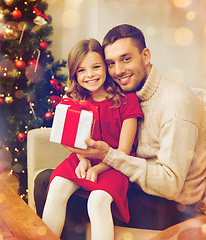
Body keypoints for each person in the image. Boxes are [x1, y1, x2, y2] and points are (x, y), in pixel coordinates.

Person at [34, 24, 206, 239]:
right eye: (111, 63)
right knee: (52, 181)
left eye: (126, 59)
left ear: (145, 55)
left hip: (170, 205)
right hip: (134, 180)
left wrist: (107, 158)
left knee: (50, 183)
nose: (118, 71)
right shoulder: (129, 93)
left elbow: (170, 186)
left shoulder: (176, 104)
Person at [42, 38, 143, 240]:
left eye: (96, 67)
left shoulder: (126, 99)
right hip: (84, 158)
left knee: (97, 201)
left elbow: (124, 151)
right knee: (57, 186)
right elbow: (71, 140)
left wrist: (97, 168)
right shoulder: (74, 101)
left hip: (116, 164)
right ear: (74, 74)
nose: (90, 75)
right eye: (81, 70)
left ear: (106, 67)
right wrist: (83, 160)